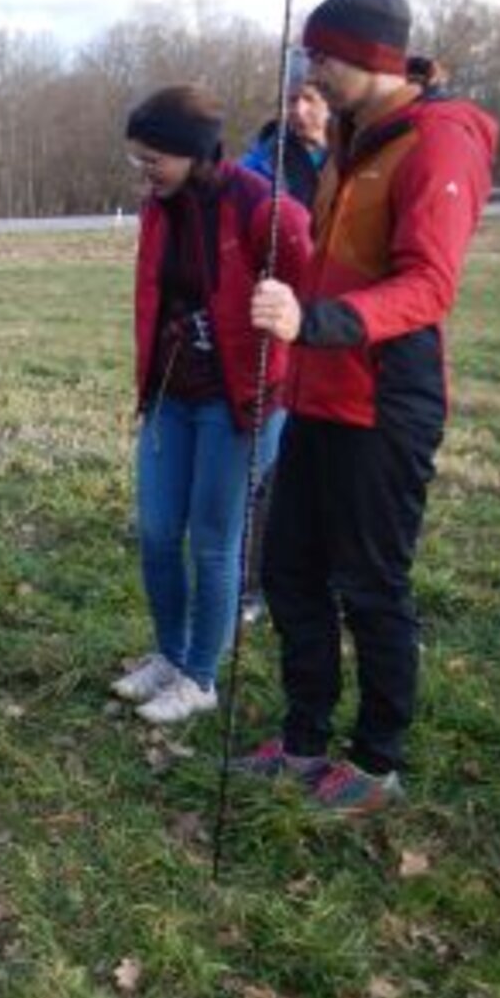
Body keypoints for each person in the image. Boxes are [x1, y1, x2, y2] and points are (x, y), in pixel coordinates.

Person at [244, 0, 499, 814]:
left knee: (372, 584)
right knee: (289, 570)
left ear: (373, 60)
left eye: (322, 59)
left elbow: (430, 284)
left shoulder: (438, 144)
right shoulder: (352, 136)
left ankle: (376, 760)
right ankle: (305, 737)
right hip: (317, 392)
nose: (308, 73)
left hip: (386, 402)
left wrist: (312, 319)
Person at [111, 85, 313, 726]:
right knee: (156, 534)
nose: (144, 173)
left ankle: (200, 677)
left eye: (153, 160)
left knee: (213, 543)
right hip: (170, 396)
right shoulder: (157, 208)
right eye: (137, 161)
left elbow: (311, 293)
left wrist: (285, 311)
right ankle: (170, 657)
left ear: (193, 152)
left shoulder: (262, 207)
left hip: (241, 403)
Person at [238, 50, 332, 210]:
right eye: (292, 100)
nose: (298, 110)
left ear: (330, 103)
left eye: (309, 99)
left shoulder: (351, 157)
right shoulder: (258, 166)